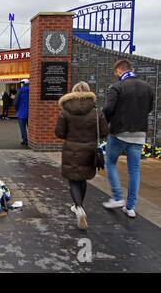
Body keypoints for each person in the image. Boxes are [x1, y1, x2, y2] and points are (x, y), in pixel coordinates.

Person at [101, 60, 155, 218]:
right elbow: (149, 108)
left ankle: (118, 197)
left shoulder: (117, 87)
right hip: (139, 133)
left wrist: (106, 119)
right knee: (134, 170)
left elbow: (109, 108)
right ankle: (131, 206)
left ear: (118, 71)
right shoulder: (147, 87)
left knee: (110, 163)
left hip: (119, 132)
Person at [55, 81, 108, 230]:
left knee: (73, 179)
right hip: (89, 150)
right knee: (83, 178)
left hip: (71, 150)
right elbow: (104, 132)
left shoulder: (65, 111)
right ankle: (80, 206)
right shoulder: (97, 112)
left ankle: (78, 206)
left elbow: (59, 133)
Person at [14, 79, 29, 146]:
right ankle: (31, 140)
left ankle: (25, 140)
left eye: (21, 83)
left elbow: (16, 102)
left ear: (23, 84)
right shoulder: (32, 91)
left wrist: (17, 109)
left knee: (22, 128)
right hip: (30, 112)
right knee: (30, 128)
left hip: (21, 112)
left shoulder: (20, 92)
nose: (21, 85)